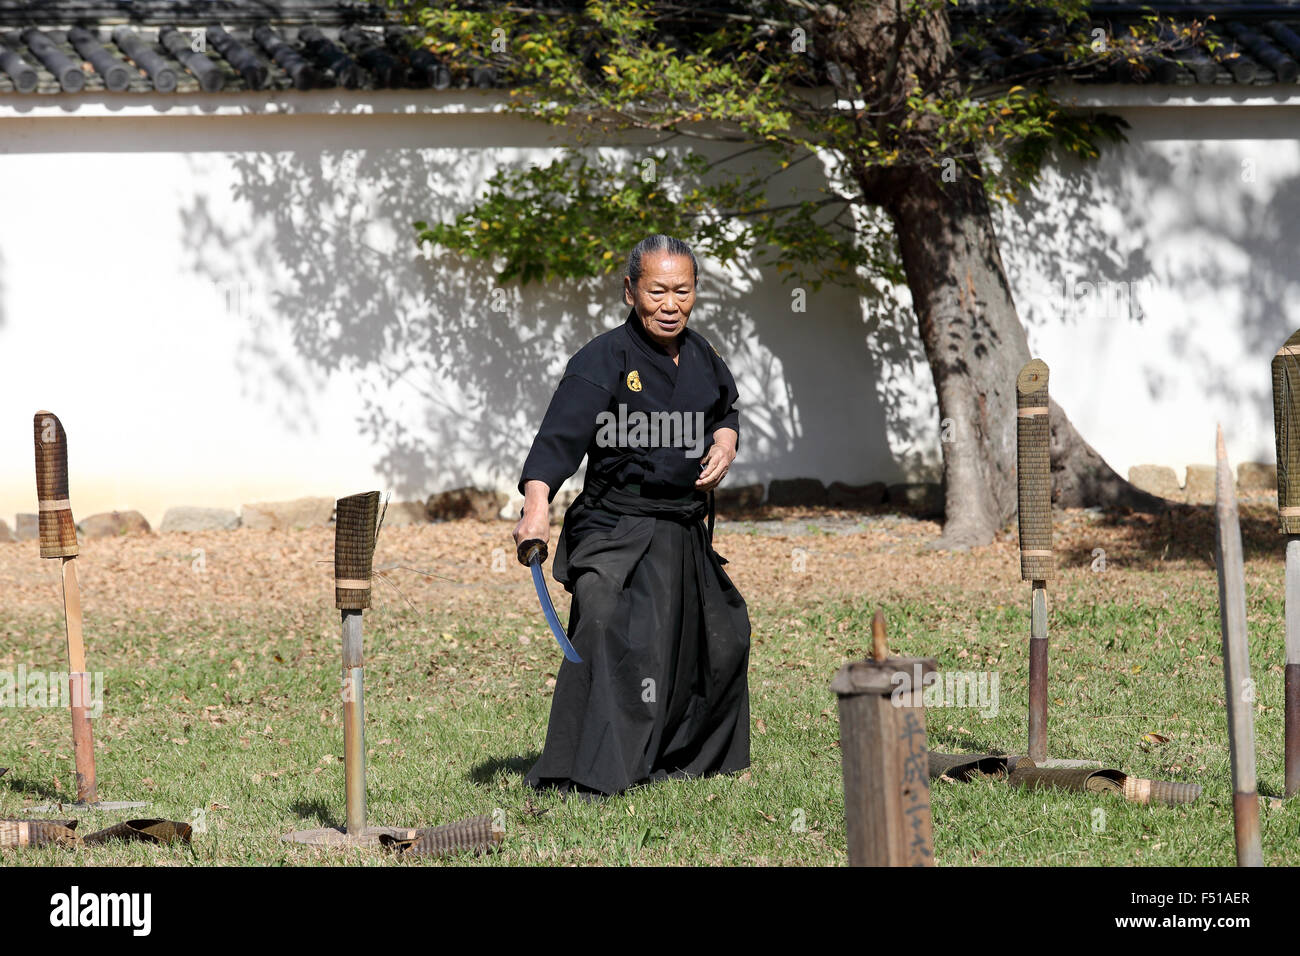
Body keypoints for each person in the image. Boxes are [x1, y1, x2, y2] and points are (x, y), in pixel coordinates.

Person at [513, 234, 751, 798]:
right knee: (600, 620)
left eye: (683, 292)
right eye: (657, 291)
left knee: (724, 636)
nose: (670, 305)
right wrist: (536, 508)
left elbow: (726, 408)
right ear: (630, 290)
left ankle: (679, 755)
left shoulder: (701, 355)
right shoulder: (602, 359)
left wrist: (725, 441)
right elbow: (556, 442)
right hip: (615, 524)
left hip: (680, 527)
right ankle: (581, 768)